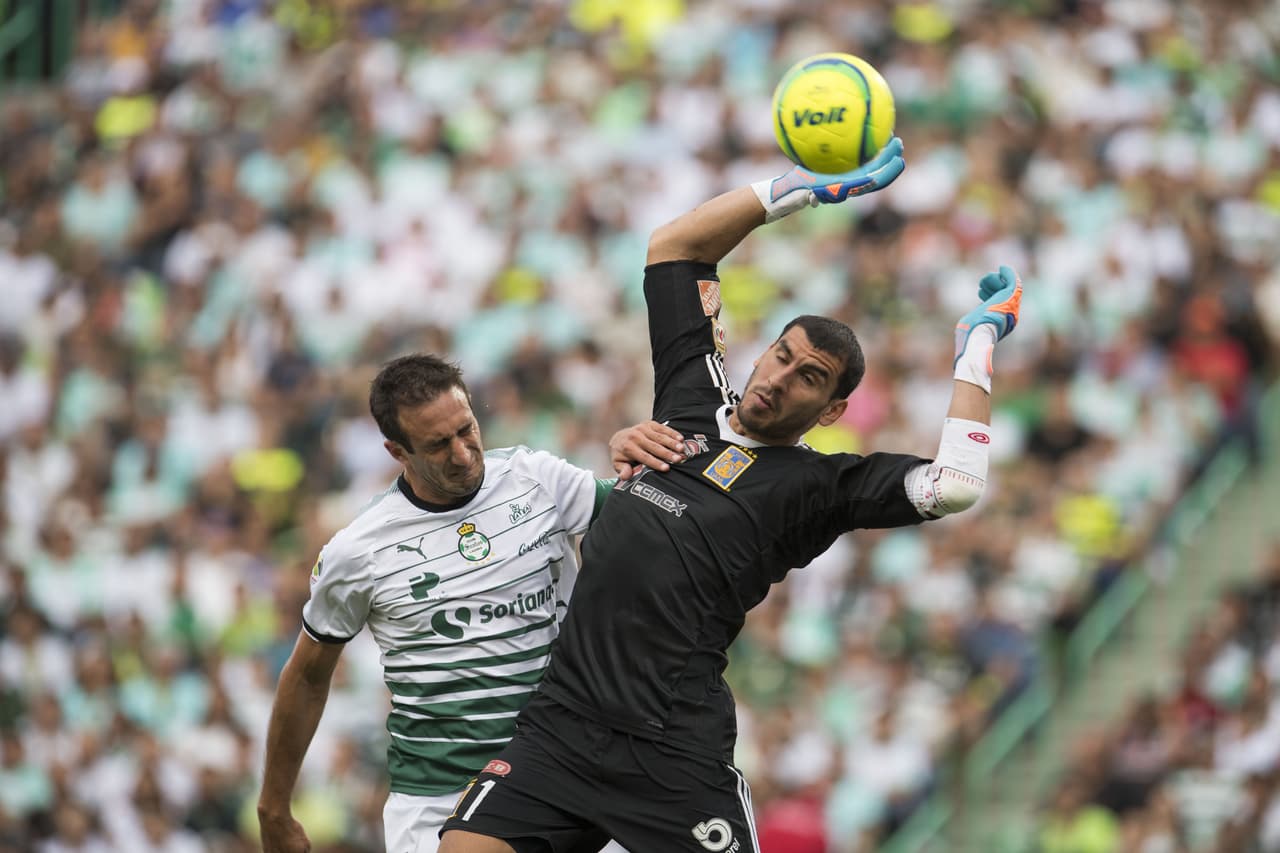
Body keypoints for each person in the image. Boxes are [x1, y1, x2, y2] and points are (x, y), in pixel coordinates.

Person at [438, 138, 1025, 852]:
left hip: (671, 755)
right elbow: (674, 248)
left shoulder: (817, 486)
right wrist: (802, 190)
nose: (781, 378)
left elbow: (955, 483)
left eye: (809, 377)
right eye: (782, 354)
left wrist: (977, 345)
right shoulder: (691, 393)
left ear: (831, 410)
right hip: (561, 727)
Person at [257, 353, 685, 853]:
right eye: (438, 445)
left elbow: (654, 518)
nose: (462, 454)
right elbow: (308, 675)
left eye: (466, 430)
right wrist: (274, 807)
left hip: (563, 774)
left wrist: (629, 447)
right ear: (398, 452)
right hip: (439, 799)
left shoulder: (537, 479)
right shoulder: (359, 551)